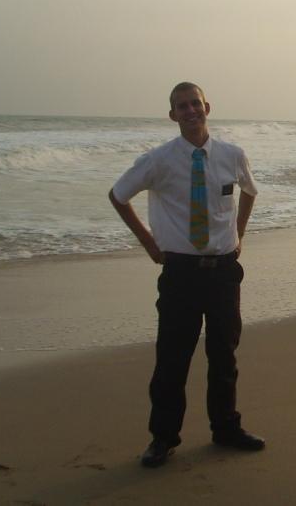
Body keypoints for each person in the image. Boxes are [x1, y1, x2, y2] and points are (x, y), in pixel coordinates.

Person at [109, 82, 264, 468]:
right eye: (182, 106)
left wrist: (239, 234)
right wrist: (148, 243)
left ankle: (226, 428)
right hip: (180, 273)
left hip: (224, 271)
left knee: (223, 356)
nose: (191, 110)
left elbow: (249, 191)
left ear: (207, 106)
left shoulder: (232, 155)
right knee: (172, 362)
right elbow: (118, 195)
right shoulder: (158, 161)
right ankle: (162, 438)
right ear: (172, 115)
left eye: (196, 103)